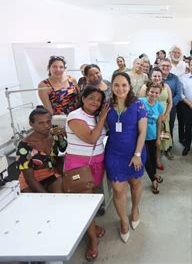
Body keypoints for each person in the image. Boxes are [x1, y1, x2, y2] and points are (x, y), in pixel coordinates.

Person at [64, 86, 109, 261]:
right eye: (91, 98)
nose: (95, 102)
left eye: (98, 100)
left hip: (96, 164)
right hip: (79, 166)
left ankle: (92, 226)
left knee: (90, 199)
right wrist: (103, 116)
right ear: (83, 98)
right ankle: (92, 240)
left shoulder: (94, 116)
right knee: (86, 203)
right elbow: (91, 138)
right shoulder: (75, 116)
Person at [104, 72, 147, 243]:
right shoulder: (106, 106)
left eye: (124, 85)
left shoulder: (139, 105)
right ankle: (123, 220)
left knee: (135, 183)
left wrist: (137, 154)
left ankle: (135, 209)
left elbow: (143, 131)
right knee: (117, 189)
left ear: (129, 86)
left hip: (135, 152)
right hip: (114, 152)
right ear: (112, 87)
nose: (120, 88)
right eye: (116, 85)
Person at [16, 106, 65, 193]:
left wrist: (64, 134)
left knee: (60, 197)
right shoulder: (25, 146)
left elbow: (64, 148)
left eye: (48, 121)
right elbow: (29, 179)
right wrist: (45, 196)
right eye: (41, 123)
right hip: (31, 180)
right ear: (31, 123)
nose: (46, 126)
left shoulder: (55, 135)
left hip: (50, 174)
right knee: (38, 203)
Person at [138, 67, 173, 165]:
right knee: (150, 137)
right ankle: (146, 158)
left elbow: (170, 102)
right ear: (150, 76)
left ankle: (158, 158)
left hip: (163, 115)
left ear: (162, 77)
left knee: (161, 138)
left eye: (159, 76)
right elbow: (140, 104)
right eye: (155, 76)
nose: (157, 78)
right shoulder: (145, 87)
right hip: (149, 117)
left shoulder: (166, 87)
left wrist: (166, 115)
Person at [139, 82, 165, 194]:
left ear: (159, 94)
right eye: (152, 92)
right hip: (141, 137)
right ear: (147, 91)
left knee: (153, 158)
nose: (153, 94)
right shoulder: (140, 102)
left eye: (156, 92)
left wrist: (158, 138)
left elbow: (159, 123)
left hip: (152, 136)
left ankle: (153, 174)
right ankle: (153, 180)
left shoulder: (159, 106)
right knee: (146, 159)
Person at [160, 58, 183, 157]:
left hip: (170, 108)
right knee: (158, 127)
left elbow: (179, 94)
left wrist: (170, 104)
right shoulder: (155, 77)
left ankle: (167, 148)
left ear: (170, 67)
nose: (165, 67)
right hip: (156, 107)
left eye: (167, 66)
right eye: (163, 65)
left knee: (168, 127)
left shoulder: (175, 78)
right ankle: (159, 148)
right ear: (159, 66)